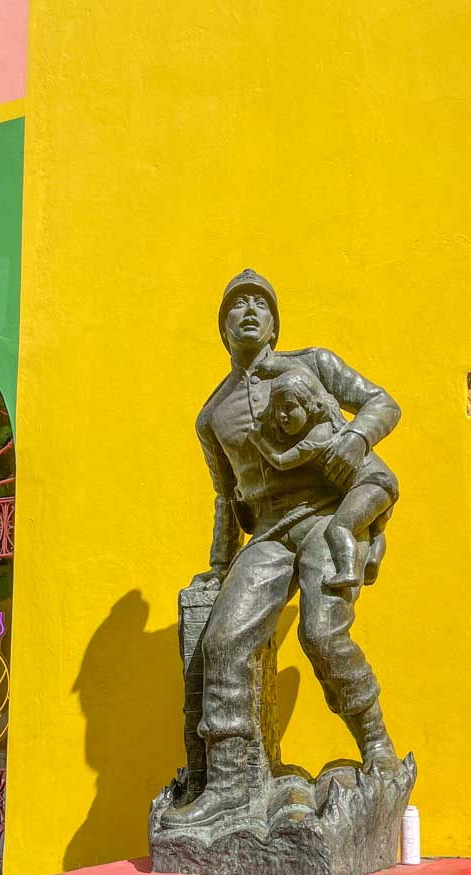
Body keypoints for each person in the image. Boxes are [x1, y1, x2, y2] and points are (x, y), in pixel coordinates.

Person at [162, 269, 402, 829]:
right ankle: (226, 788)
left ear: (274, 321)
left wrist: (356, 437)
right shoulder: (211, 414)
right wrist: (219, 567)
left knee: (322, 636)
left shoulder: (313, 364)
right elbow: (225, 497)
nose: (248, 311)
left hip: (324, 517)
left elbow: (382, 403)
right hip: (267, 535)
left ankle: (377, 744)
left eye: (259, 304)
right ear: (223, 330)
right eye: (236, 306)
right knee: (221, 644)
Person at [248, 366, 398, 588]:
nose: (282, 416)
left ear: (311, 406)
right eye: (277, 410)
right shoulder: (325, 426)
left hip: (371, 483)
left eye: (289, 408)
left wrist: (259, 440)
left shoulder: (317, 437)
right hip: (380, 483)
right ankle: (374, 555)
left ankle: (349, 570)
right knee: (371, 525)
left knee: (339, 527)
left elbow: (281, 461)